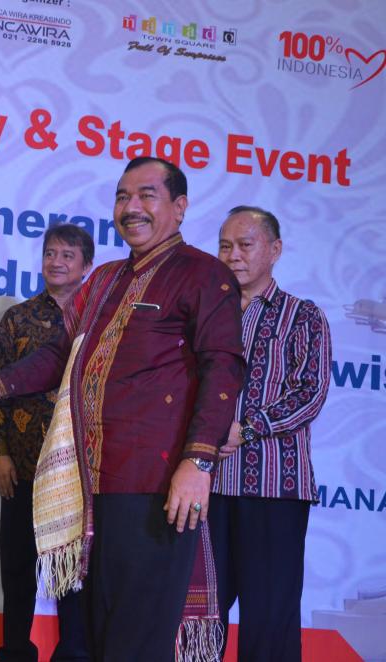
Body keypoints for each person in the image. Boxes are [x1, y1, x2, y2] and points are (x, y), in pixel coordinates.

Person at [0, 156, 245, 661]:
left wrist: (198, 462)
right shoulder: (102, 280)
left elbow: (223, 369)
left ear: (179, 207)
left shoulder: (203, 274)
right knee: (93, 635)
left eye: (146, 195)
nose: (131, 207)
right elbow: (59, 354)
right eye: (123, 196)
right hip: (90, 484)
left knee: (137, 637)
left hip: (155, 485)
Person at [210, 206, 332, 662]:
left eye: (245, 245)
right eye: (225, 246)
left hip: (274, 490)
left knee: (269, 619)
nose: (233, 255)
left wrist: (247, 428)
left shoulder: (303, 316)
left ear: (275, 249)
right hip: (207, 487)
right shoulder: (205, 314)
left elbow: (311, 393)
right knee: (199, 615)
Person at [0, 224, 93, 662]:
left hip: (77, 473)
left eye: (67, 255)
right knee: (17, 568)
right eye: (50, 253)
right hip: (22, 467)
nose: (56, 262)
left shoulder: (99, 321)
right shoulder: (18, 318)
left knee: (73, 572)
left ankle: (74, 654)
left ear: (87, 266)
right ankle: (15, 651)